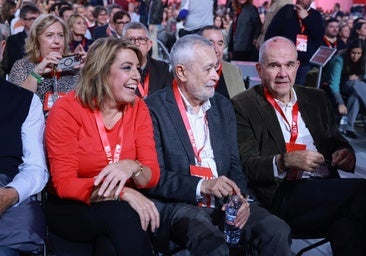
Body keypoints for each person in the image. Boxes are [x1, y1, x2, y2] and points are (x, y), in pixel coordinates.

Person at [145, 34, 291, 256]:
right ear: (182, 72)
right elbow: (153, 176)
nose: (215, 76)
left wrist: (239, 196)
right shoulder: (153, 108)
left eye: (216, 67)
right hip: (181, 204)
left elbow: (234, 162)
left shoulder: (222, 105)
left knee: (276, 230)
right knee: (213, 245)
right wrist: (201, 185)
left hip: (224, 202)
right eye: (207, 69)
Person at [232, 36, 366, 256]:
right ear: (259, 68)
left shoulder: (317, 98)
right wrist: (283, 161)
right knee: (361, 192)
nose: (283, 73)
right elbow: (245, 165)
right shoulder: (243, 105)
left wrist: (346, 154)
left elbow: (335, 140)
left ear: (297, 66)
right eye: (274, 65)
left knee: (349, 224)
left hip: (325, 189)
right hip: (281, 195)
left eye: (289, 65)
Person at [45, 37, 160, 256]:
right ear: (101, 71)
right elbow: (64, 184)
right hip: (73, 205)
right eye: (127, 68)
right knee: (124, 218)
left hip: (121, 209)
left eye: (137, 68)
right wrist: (123, 192)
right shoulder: (67, 110)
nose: (137, 75)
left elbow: (151, 176)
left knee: (110, 244)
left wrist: (132, 166)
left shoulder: (138, 108)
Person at [0, 29, 49, 256]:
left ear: (1, 50)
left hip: (7, 194)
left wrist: (10, 194)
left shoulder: (25, 102)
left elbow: (35, 167)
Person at [9, 14, 84, 113]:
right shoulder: (22, 66)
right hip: (36, 126)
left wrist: (89, 72)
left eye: (61, 35)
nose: (57, 41)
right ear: (36, 39)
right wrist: (36, 74)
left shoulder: (74, 67)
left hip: (69, 125)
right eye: (49, 35)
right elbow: (17, 104)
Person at [265, 0, 325, 85]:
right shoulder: (286, 11)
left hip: (303, 64)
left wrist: (306, 18)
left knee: (298, 92)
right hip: (283, 61)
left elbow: (319, 34)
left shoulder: (315, 15)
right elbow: (271, 33)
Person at [322, 39, 366, 139]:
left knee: (355, 97)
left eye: (359, 53)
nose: (356, 56)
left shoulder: (363, 60)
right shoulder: (339, 60)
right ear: (349, 51)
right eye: (353, 53)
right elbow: (334, 84)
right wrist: (340, 103)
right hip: (337, 88)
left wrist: (359, 77)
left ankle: (348, 128)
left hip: (355, 89)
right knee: (355, 84)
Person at [122, 22, 173, 98]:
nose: (136, 44)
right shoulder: (118, 72)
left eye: (141, 39)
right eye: (131, 40)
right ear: (122, 45)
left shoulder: (162, 69)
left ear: (149, 45)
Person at [199, 25, 246, 98]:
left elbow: (241, 103)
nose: (216, 49)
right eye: (210, 43)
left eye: (220, 44)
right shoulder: (192, 70)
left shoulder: (233, 70)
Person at [1, 3, 41, 78]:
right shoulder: (14, 40)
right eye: (32, 19)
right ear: (22, 21)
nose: (37, 22)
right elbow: (14, 66)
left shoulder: (45, 38)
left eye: (39, 19)